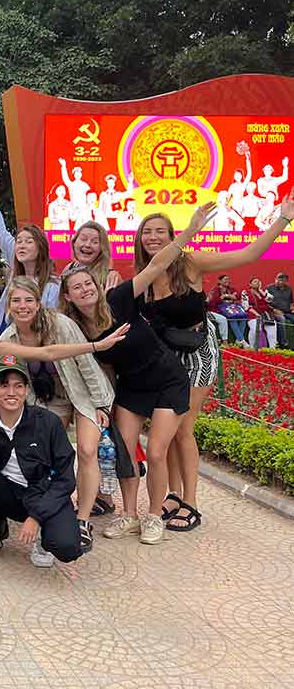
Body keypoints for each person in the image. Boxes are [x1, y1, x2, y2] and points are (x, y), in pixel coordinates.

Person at [61, 202, 216, 545]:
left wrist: (190, 231)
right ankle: (130, 515)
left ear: (97, 284)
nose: (85, 289)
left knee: (157, 451)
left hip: (167, 380)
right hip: (132, 386)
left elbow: (159, 263)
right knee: (125, 451)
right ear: (68, 297)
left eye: (88, 283)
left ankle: (154, 515)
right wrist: (101, 404)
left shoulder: (119, 297)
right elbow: (82, 362)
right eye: (77, 287)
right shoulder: (76, 329)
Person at [0, 277, 117, 552]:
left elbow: (86, 364)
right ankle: (47, 510)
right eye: (16, 300)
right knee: (46, 453)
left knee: (87, 450)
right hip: (49, 401)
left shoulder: (60, 324)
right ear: (8, 305)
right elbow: (20, 382)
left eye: (29, 300)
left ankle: (83, 520)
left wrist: (101, 404)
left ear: (38, 303)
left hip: (83, 394)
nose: (23, 306)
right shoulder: (8, 338)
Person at [0, 354, 82, 572]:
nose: (11, 392)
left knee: (67, 547)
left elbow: (65, 479)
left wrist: (37, 516)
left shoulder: (49, 423)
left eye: (18, 386)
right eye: (3, 385)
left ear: (27, 390)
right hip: (7, 494)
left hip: (43, 493)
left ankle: (44, 539)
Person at [0, 160, 59, 335]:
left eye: (28, 241)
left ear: (41, 248)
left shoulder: (52, 286)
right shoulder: (14, 264)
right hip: (3, 340)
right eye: (19, 241)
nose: (21, 245)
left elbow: (51, 326)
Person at [208, 274, 249, 343]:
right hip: (219, 310)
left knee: (243, 318)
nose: (227, 281)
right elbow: (216, 300)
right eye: (225, 279)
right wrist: (230, 297)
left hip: (232, 309)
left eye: (228, 279)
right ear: (219, 281)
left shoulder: (231, 289)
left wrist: (225, 296)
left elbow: (237, 297)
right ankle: (242, 340)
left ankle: (239, 340)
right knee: (232, 318)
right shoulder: (215, 289)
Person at [267, 271, 294, 349]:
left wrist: (292, 308)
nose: (279, 282)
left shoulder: (288, 289)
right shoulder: (270, 288)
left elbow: (291, 302)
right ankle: (283, 343)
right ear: (275, 279)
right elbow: (265, 302)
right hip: (274, 311)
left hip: (287, 311)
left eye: (282, 280)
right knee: (282, 319)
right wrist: (274, 309)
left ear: (286, 281)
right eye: (278, 279)